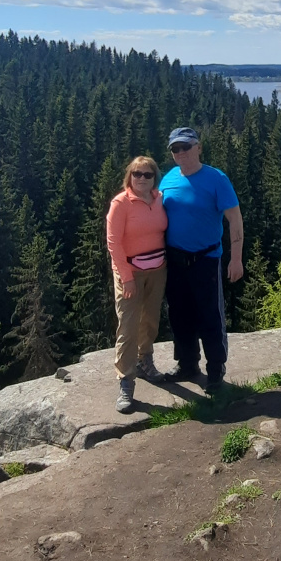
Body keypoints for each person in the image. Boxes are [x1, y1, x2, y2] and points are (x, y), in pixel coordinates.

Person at [160, 126, 243, 397]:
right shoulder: (168, 179)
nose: (181, 152)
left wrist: (236, 259)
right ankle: (187, 364)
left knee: (210, 315)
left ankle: (216, 369)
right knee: (179, 313)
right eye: (176, 148)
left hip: (206, 259)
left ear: (198, 147)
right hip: (174, 259)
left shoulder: (216, 178)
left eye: (186, 146)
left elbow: (235, 219)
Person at [106, 156, 168, 413]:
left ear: (155, 178)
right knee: (128, 327)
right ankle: (126, 381)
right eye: (137, 174)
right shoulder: (120, 204)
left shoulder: (159, 199)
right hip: (130, 272)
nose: (142, 178)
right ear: (129, 176)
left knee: (150, 319)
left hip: (158, 270)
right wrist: (127, 278)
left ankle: (146, 362)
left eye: (147, 174)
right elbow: (113, 243)